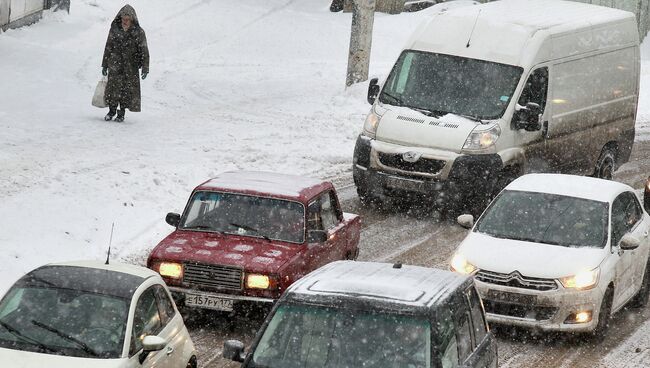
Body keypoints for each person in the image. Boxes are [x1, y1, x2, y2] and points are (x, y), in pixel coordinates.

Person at [101, 5, 149, 122]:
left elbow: (144, 51)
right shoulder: (114, 29)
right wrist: (105, 64)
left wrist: (145, 68)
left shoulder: (138, 32)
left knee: (126, 90)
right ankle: (111, 111)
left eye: (127, 19)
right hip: (115, 64)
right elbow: (108, 46)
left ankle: (121, 113)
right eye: (123, 19)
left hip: (130, 66)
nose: (125, 21)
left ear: (132, 19)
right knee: (113, 88)